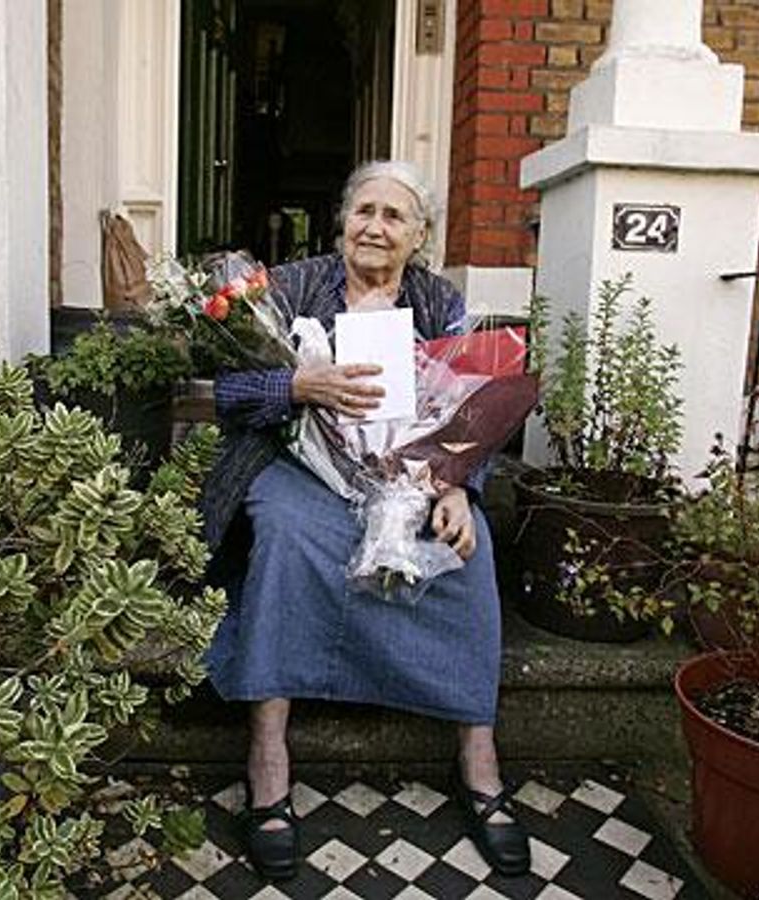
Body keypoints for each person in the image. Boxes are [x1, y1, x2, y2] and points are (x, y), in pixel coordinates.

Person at [200, 160, 531, 882]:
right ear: (343, 221)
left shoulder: (439, 300)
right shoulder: (289, 288)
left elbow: (470, 409)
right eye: (364, 211)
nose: (375, 227)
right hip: (294, 469)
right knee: (287, 537)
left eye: (394, 216)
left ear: (419, 236)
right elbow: (227, 391)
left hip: (404, 477)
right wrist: (296, 384)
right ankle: (268, 755)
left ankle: (478, 758)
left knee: (467, 555)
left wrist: (454, 486)